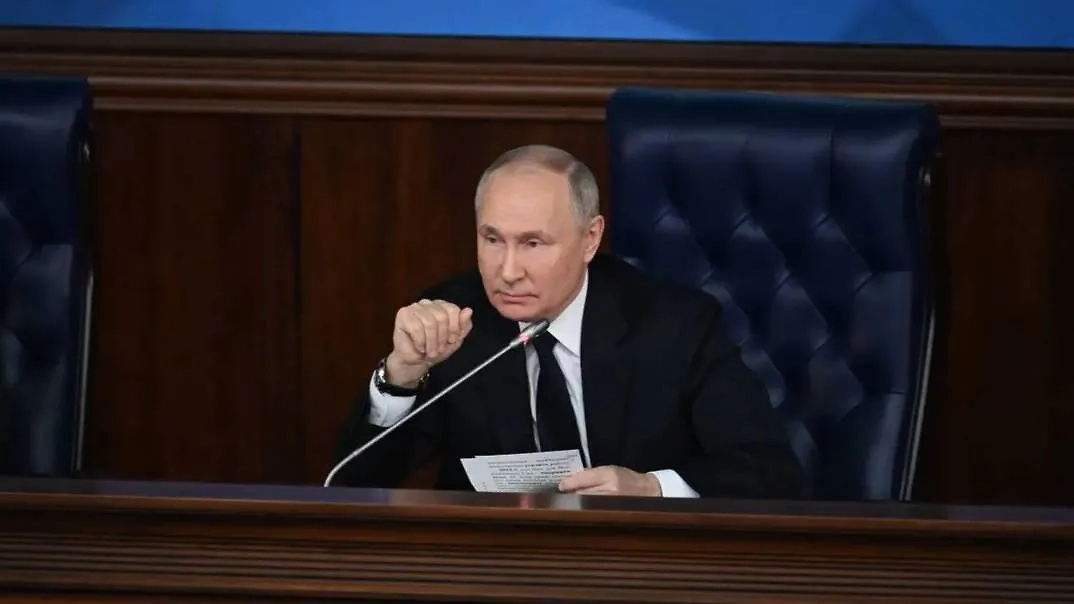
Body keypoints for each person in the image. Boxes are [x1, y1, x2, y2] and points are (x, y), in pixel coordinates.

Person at [335, 144, 807, 498]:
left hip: (634, 565)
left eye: (533, 243)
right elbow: (355, 486)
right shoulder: (454, 320)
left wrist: (650, 487)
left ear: (590, 239)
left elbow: (770, 471)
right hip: (493, 567)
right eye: (492, 239)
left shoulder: (675, 324)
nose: (508, 271)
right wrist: (402, 375)